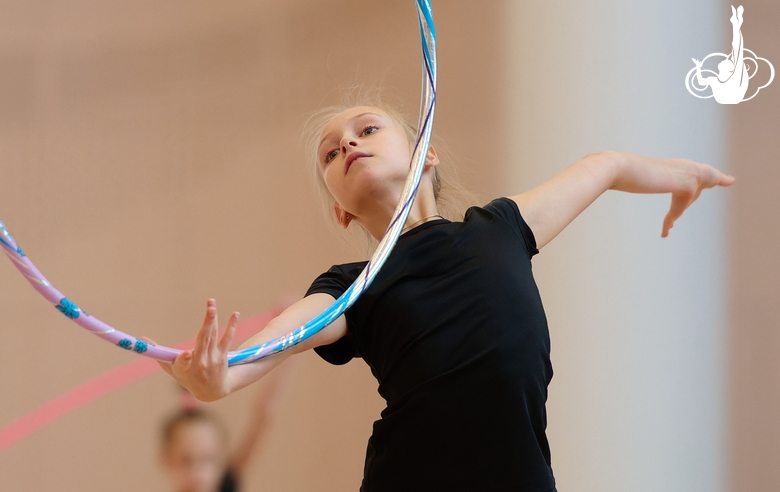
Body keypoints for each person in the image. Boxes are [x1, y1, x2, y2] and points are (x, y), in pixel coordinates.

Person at [156, 99, 735, 491]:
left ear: (424, 154)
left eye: (367, 129)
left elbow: (604, 166)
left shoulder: (503, 227)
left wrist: (684, 175)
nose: (348, 144)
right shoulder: (350, 287)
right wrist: (221, 375)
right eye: (331, 154)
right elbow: (280, 339)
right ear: (340, 209)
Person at [159, 363, 291, 492]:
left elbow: (264, 412)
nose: (197, 474)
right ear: (166, 460)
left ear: (222, 459)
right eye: (185, 461)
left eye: (208, 459)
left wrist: (288, 349)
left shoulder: (228, 483)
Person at [693, 5, 748, 104]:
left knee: (737, 50)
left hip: (731, 99)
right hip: (729, 100)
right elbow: (701, 82)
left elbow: (737, 49)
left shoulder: (733, 78)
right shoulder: (716, 80)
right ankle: (736, 23)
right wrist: (698, 67)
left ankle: (736, 23)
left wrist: (736, 26)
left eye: (727, 61)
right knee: (736, 50)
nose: (725, 59)